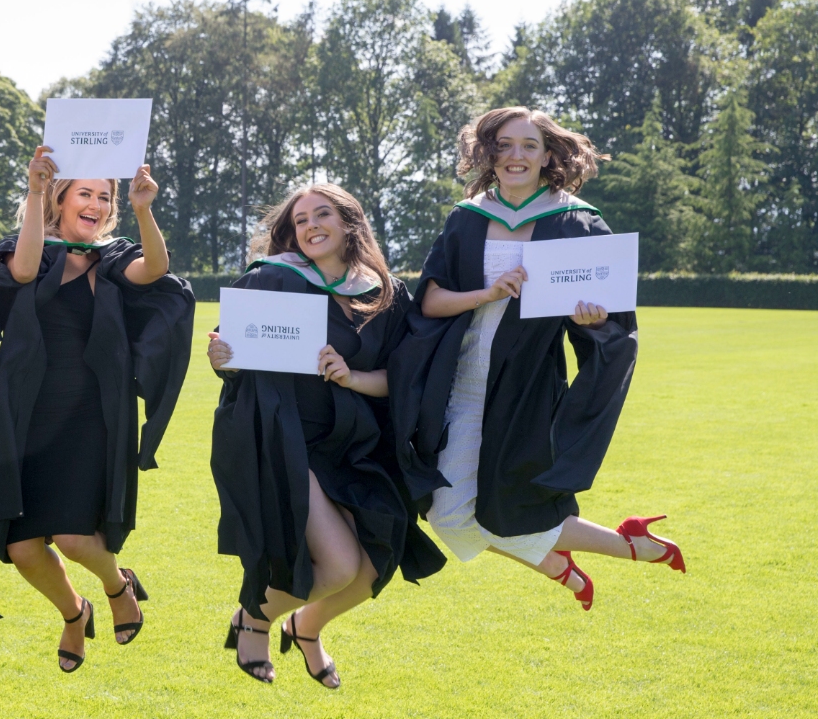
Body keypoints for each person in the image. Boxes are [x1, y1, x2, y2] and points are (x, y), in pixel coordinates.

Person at [398, 107, 685, 612]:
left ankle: (591, 557)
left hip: (527, 386)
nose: (516, 155)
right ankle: (612, 549)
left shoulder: (576, 219)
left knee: (511, 506)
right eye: (504, 145)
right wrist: (487, 293)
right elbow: (430, 301)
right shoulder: (468, 218)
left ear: (548, 154)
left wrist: (593, 322)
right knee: (447, 514)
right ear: (489, 152)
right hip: (460, 381)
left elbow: (613, 318)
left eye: (528, 145)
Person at [0, 146, 194, 672]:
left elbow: (157, 268)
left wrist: (144, 209)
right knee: (22, 549)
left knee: (76, 538)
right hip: (25, 414)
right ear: (61, 199)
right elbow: (26, 270)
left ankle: (115, 582)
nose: (98, 204)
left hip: (91, 416)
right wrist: (34, 191)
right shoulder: (25, 248)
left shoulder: (116, 256)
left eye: (105, 197)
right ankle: (74, 612)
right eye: (86, 193)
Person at [207, 184, 446, 688]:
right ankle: (253, 620)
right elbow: (238, 360)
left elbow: (403, 382)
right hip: (288, 438)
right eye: (300, 220)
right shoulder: (274, 279)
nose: (311, 226)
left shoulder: (386, 292)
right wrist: (223, 360)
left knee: (371, 568)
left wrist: (350, 376)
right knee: (337, 566)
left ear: (349, 224)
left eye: (323, 215)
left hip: (354, 444)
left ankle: (308, 628)